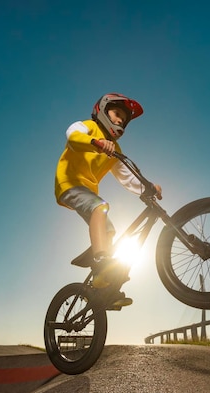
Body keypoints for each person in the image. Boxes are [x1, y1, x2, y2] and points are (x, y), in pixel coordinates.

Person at [54, 93, 162, 309]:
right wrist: (96, 142)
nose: (120, 120)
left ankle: (103, 286)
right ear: (102, 111)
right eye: (116, 114)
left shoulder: (115, 149)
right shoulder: (85, 127)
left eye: (124, 118)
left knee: (110, 231)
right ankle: (101, 260)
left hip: (88, 192)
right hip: (69, 183)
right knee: (100, 206)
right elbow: (73, 137)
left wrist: (147, 187)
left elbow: (127, 177)